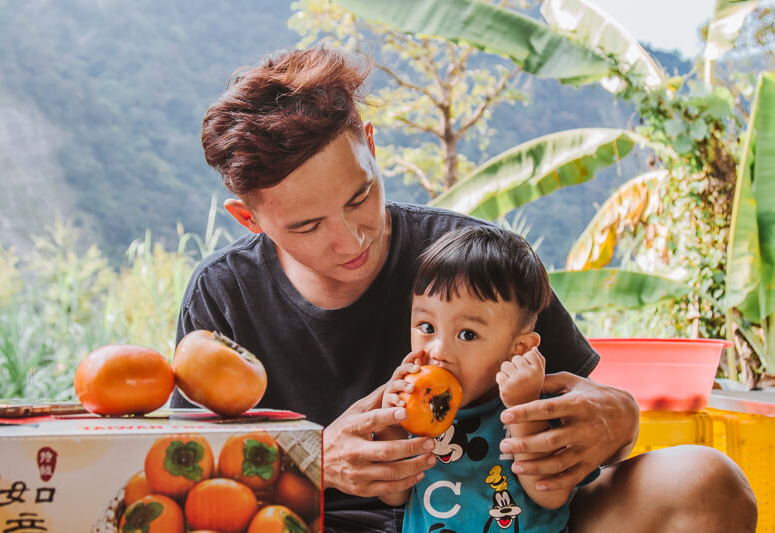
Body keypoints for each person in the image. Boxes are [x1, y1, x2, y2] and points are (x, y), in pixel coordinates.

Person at [172, 46, 757, 532]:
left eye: (360, 197)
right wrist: (313, 463)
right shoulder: (223, 296)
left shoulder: (477, 259)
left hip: (509, 516)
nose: (351, 239)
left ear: (371, 147)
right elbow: (193, 487)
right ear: (250, 221)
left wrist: (619, 421)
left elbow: (584, 426)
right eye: (306, 226)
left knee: (707, 484)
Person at [379, 225, 599, 531]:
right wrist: (391, 425)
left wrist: (523, 410)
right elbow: (393, 494)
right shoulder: (416, 410)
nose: (438, 351)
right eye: (426, 327)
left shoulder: (543, 408)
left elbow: (552, 495)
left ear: (517, 349)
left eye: (467, 334)